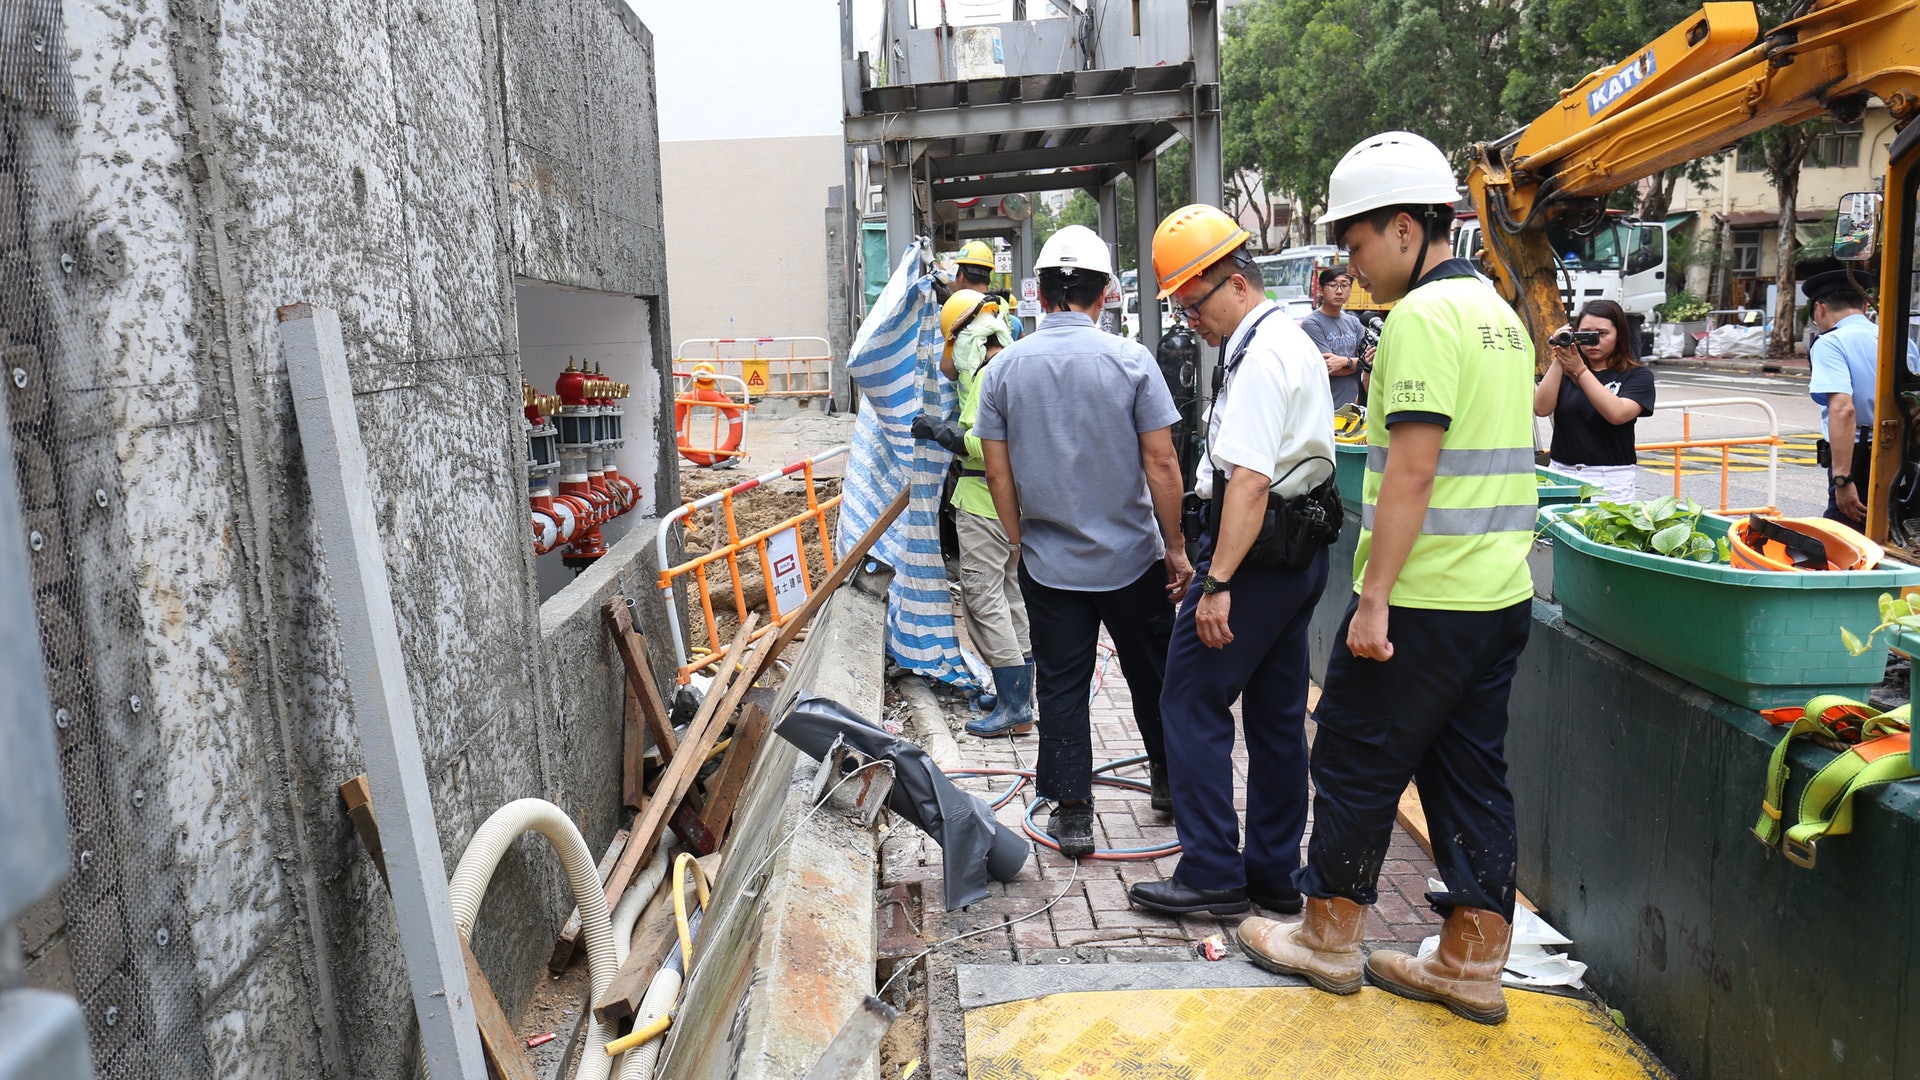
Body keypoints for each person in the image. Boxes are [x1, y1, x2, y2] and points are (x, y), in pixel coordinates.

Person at [1236, 131, 1537, 1026]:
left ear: (1406, 227)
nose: (1351, 263)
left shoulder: (1420, 321)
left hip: (1420, 601)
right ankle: (1470, 961)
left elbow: (1410, 470)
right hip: (1498, 597)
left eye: (1358, 241)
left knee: (1359, 761)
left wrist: (1372, 601)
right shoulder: (1500, 317)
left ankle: (1328, 939)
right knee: (1471, 774)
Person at [1126, 205, 1336, 917]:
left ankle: (1214, 871)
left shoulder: (1261, 358)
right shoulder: (1290, 341)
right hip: (1297, 552)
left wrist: (1216, 583)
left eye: (1193, 303)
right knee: (1277, 717)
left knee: (1188, 701)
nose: (1191, 321)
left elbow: (1246, 481)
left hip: (1251, 553)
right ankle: (1274, 873)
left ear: (1235, 283)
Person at [974, 224, 1194, 857]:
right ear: (1105, 294)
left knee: (1063, 686)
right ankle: (1169, 786)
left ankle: (1072, 813)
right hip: (1131, 559)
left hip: (1050, 564)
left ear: (1039, 295)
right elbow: (1162, 464)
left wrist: (1019, 539)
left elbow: (997, 470)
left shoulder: (1004, 369)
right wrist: (1175, 548)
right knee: (1152, 675)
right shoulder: (1131, 362)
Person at [912, 291, 1034, 735]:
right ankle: (1017, 695)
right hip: (1008, 505)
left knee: (984, 601)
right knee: (1011, 599)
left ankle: (1016, 707)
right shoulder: (1010, 367)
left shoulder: (987, 377)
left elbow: (988, 447)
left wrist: (942, 434)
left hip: (985, 503)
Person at [1533, 298, 1656, 502]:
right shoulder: (1566, 370)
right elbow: (1541, 408)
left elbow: (1617, 414)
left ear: (1619, 336)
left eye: (1603, 334)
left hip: (1609, 478)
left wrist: (1579, 370)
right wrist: (1560, 355)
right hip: (1562, 472)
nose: (1594, 342)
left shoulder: (1637, 376)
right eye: (1586, 334)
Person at [1806, 268, 1880, 528]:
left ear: (1819, 309)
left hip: (1859, 457)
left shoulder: (1831, 343)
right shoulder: (1897, 338)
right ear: (1863, 304)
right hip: (1899, 454)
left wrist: (1843, 480)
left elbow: (1843, 410)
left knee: (1845, 539)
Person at [1299, 266, 1368, 410]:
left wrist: (1345, 362)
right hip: (1327, 407)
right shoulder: (1312, 323)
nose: (1339, 291)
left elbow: (1372, 360)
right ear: (1321, 290)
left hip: (1354, 406)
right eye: (1332, 285)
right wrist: (1360, 365)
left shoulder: (1354, 322)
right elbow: (1330, 367)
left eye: (1344, 285)